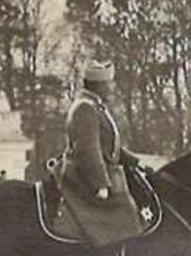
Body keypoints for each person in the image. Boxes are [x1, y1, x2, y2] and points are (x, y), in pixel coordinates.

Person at [58, 62, 151, 244]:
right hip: (83, 176)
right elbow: (88, 149)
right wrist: (100, 184)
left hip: (102, 172)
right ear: (98, 86)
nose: (112, 87)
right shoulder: (85, 108)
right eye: (109, 83)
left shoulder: (95, 107)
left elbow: (110, 147)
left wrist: (136, 162)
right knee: (125, 213)